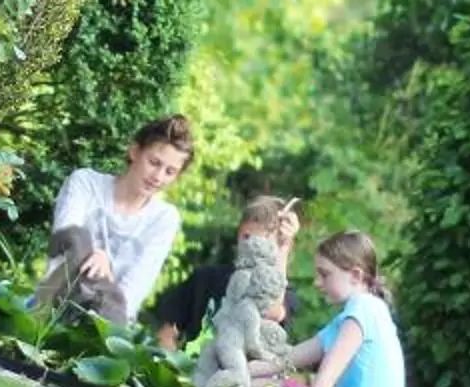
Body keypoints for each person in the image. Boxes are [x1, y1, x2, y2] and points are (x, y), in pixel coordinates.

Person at [33, 116, 194, 325]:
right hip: (51, 309)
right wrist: (92, 253)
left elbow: (132, 294)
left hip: (107, 328)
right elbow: (65, 243)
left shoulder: (164, 219)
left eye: (170, 172)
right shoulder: (85, 184)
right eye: (154, 163)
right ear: (135, 151)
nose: (158, 177)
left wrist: (104, 275)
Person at [270, 229, 405, 387]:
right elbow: (287, 360)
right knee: (263, 384)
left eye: (325, 275)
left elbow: (322, 385)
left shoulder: (363, 308)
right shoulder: (362, 312)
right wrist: (245, 368)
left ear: (356, 276)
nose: (317, 283)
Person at [152, 194, 301, 352]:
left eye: (262, 241)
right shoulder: (205, 278)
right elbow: (167, 333)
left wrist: (283, 247)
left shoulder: (285, 295)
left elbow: (271, 312)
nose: (250, 246)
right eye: (246, 237)